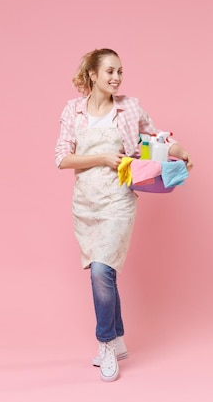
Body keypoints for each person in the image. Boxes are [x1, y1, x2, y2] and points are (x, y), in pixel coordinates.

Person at [54, 48, 193, 382]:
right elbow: (62, 158)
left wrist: (180, 151)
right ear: (93, 75)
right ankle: (117, 339)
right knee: (104, 272)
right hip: (86, 203)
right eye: (109, 72)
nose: (116, 78)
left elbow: (155, 136)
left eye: (120, 72)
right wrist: (101, 157)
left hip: (118, 199)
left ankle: (104, 344)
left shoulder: (129, 107)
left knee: (102, 269)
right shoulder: (73, 110)